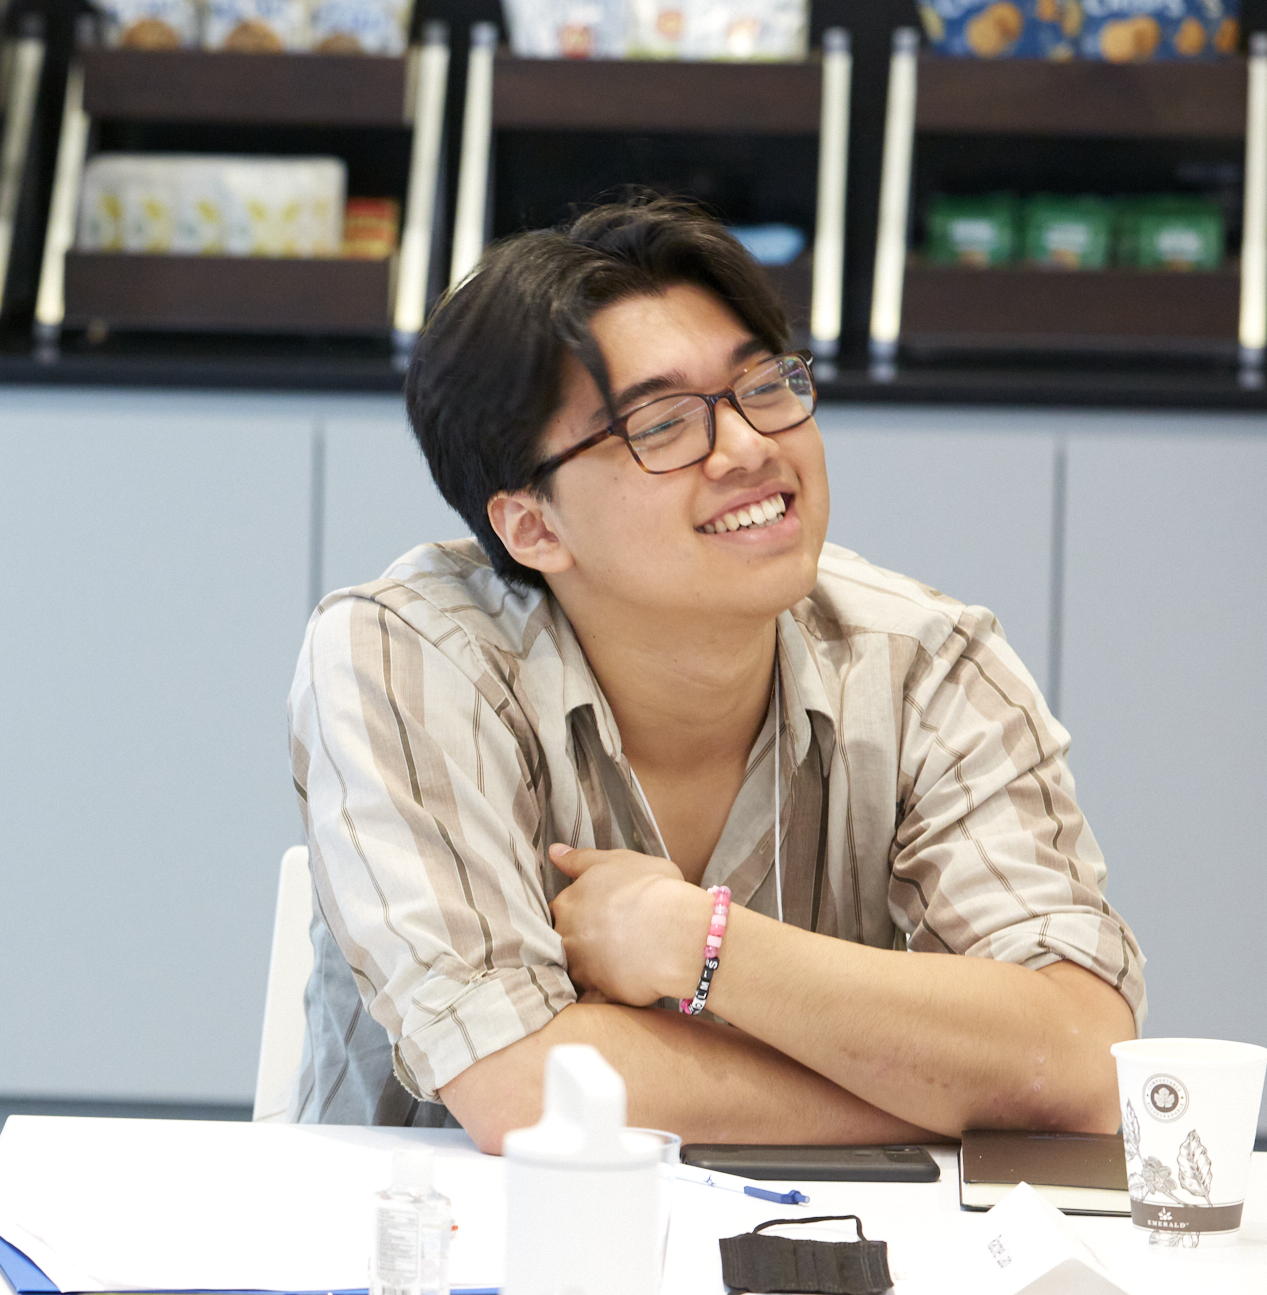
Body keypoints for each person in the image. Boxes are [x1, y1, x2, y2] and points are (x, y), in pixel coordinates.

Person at [291, 197, 1144, 1148]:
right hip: (455, 1250)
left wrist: (697, 943)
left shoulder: (926, 663)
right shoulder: (408, 655)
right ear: (533, 526)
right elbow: (522, 1089)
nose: (750, 448)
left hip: (837, 1254)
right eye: (662, 425)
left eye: (764, 387)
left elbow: (1081, 1057)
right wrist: (926, 1097)